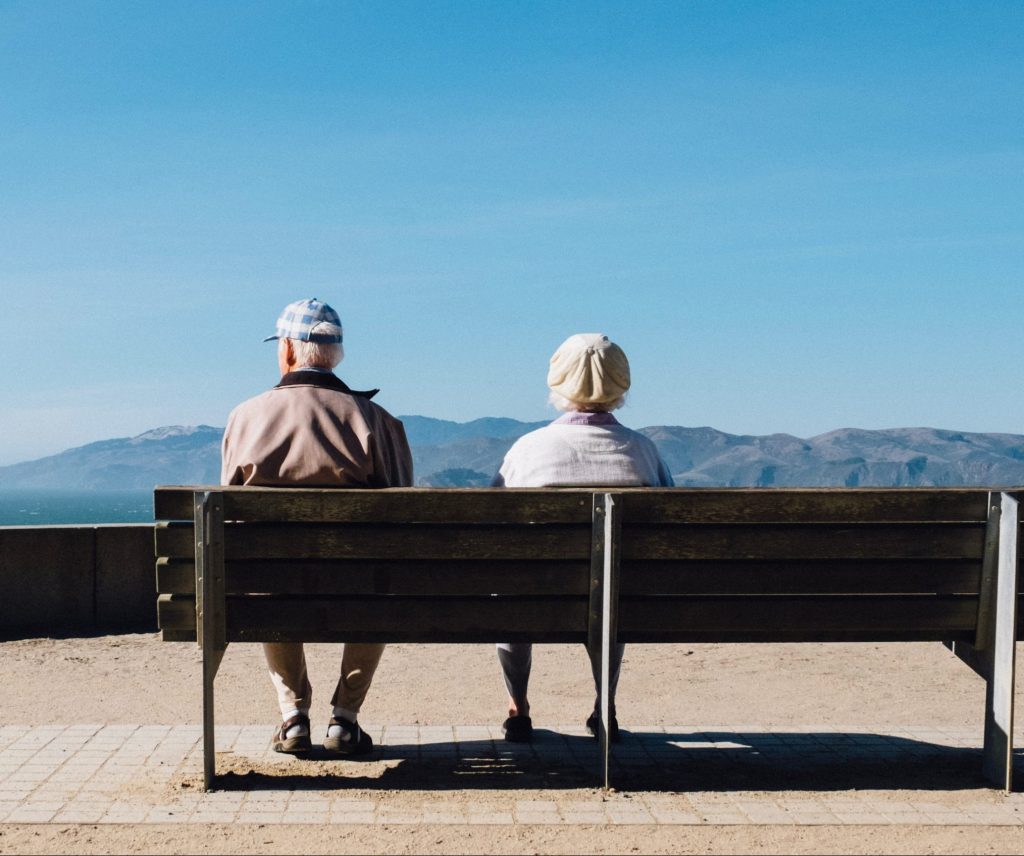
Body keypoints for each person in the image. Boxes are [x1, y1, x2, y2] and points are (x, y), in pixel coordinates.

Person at [221, 297, 413, 756]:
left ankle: (293, 718)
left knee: (264, 578)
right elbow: (405, 516)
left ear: (287, 350)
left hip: (275, 585)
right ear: (335, 355)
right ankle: (345, 719)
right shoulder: (378, 422)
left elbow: (228, 517)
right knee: (380, 583)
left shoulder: (245, 417)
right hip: (359, 586)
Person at [491, 333, 673, 743]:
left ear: (557, 384)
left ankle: (518, 708)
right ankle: (603, 704)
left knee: (511, 593)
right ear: (621, 385)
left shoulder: (528, 450)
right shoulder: (643, 452)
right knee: (610, 589)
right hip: (621, 599)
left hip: (536, 597)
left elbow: (492, 527)